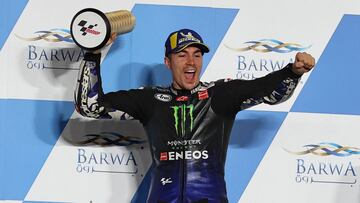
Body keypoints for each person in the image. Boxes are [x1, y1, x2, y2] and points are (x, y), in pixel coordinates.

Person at [74, 28, 315, 203]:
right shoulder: (149, 99)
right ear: (168, 62)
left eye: (197, 55)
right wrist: (93, 54)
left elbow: (270, 93)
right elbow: (90, 105)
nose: (191, 61)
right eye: (182, 55)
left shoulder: (219, 94)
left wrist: (292, 72)